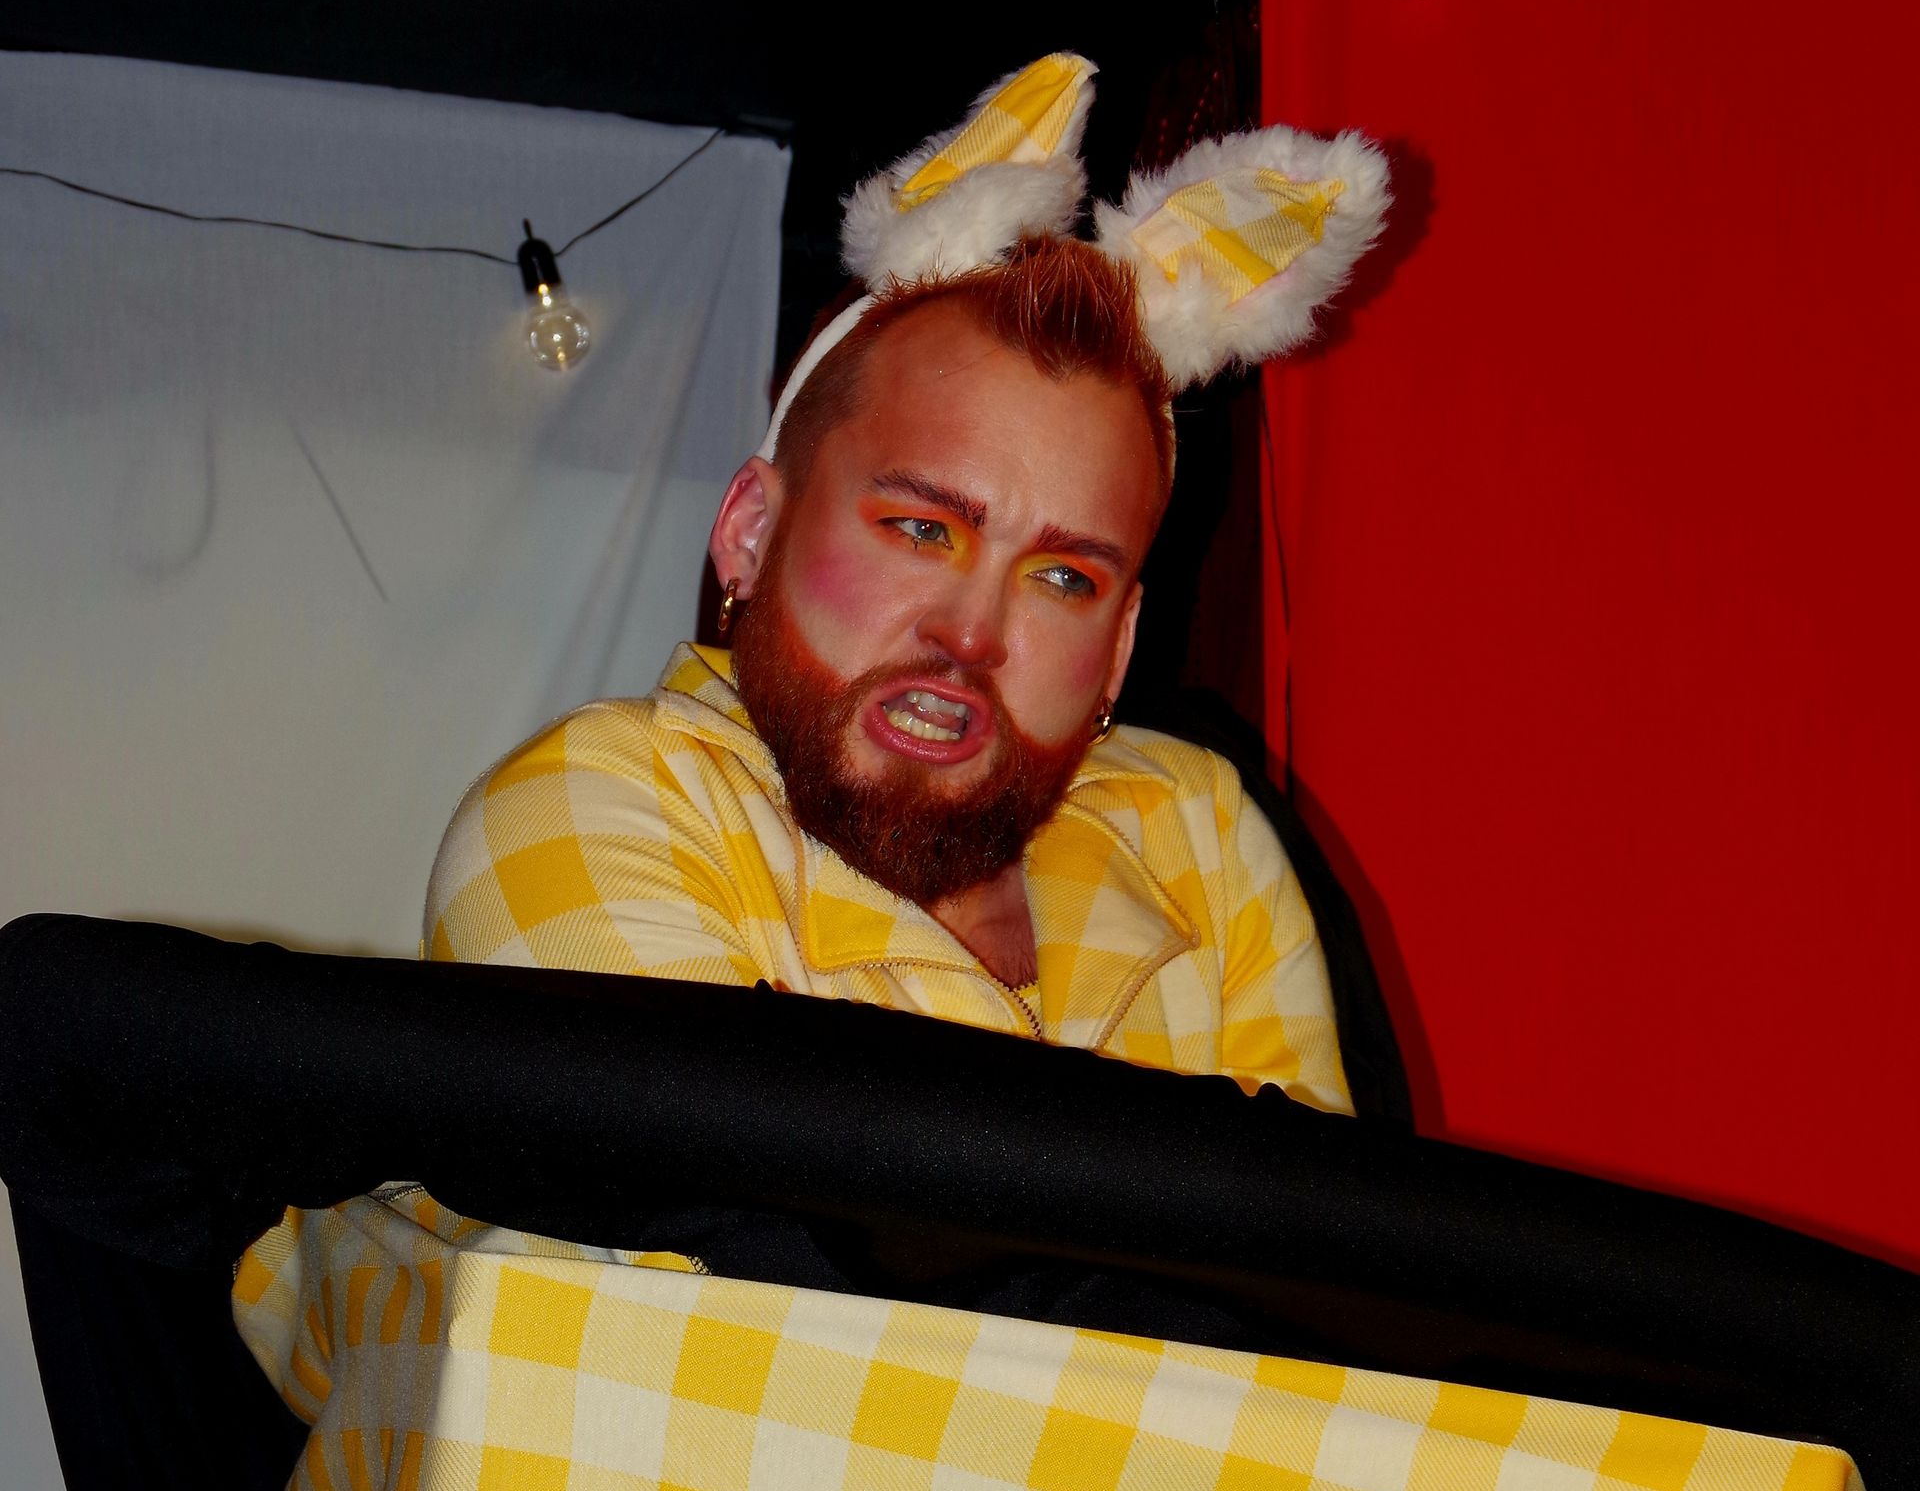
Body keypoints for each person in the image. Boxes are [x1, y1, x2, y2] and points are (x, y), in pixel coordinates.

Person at [424, 54, 1387, 1116]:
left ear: (1119, 646)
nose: (973, 634)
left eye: (1063, 576)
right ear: (749, 531)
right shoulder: (587, 805)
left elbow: (1305, 1230)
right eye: (924, 529)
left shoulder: (1199, 839)